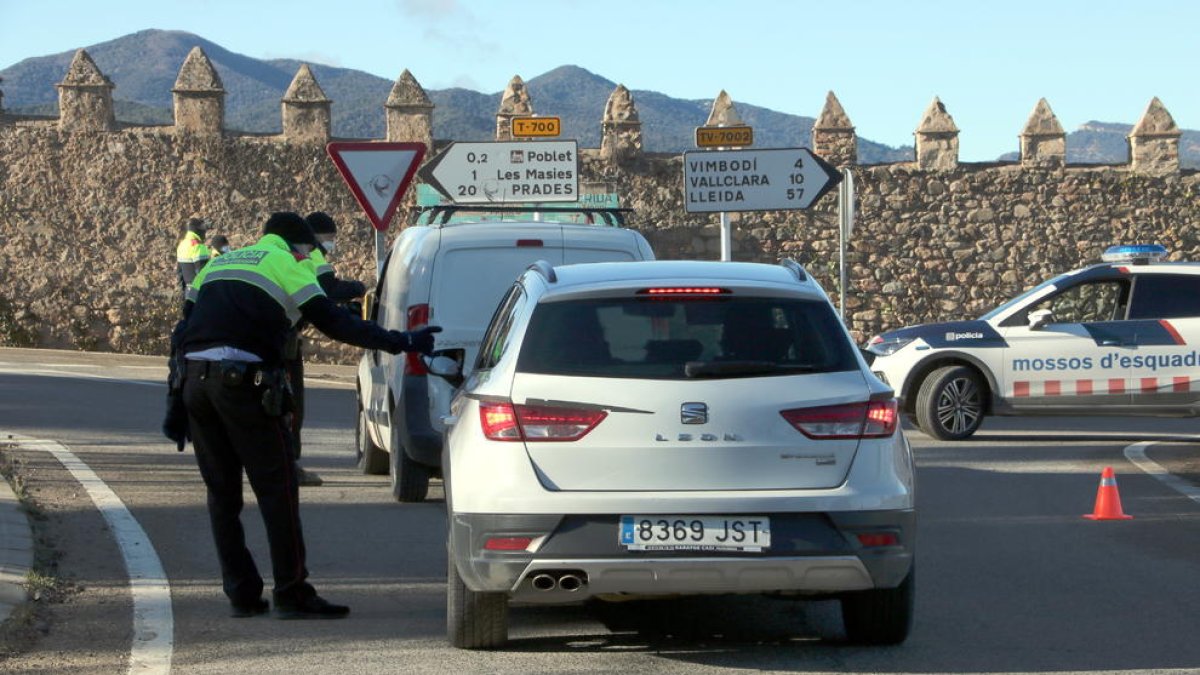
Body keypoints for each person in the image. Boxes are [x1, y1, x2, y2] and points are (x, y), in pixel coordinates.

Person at [171, 211, 439, 620]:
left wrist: (175, 402)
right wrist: (400, 341)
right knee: (278, 490)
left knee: (222, 495)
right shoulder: (286, 263)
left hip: (195, 384)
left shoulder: (218, 263)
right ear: (298, 247)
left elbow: (182, 331)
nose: (309, 257)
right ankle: (292, 593)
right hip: (242, 385)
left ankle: (241, 593)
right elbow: (333, 321)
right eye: (309, 251)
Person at [279, 211, 369, 486]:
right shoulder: (312, 255)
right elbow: (329, 289)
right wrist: (361, 287)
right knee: (291, 405)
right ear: (316, 236)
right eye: (330, 238)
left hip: (260, 336)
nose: (331, 244)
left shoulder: (276, 253)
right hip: (282, 341)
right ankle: (288, 465)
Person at [176, 217, 211, 294]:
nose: (204, 232)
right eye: (203, 229)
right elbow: (203, 273)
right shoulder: (198, 246)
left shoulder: (181, 245)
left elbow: (179, 272)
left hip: (188, 291)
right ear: (197, 230)